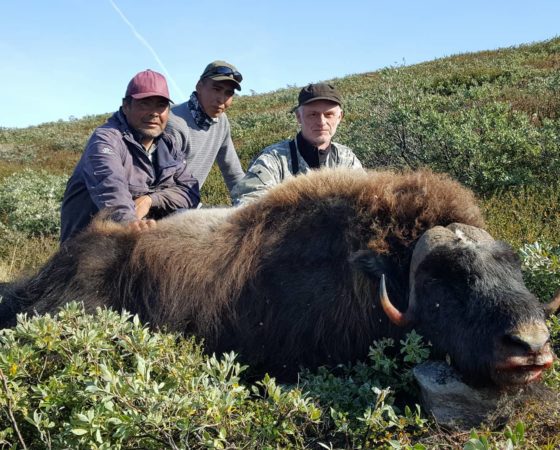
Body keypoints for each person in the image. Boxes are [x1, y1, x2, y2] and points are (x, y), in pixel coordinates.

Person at [60, 69, 200, 243]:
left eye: (160, 105)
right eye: (145, 104)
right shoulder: (106, 140)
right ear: (126, 106)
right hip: (88, 251)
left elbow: (190, 192)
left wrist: (151, 200)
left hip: (137, 245)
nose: (154, 112)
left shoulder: (168, 145)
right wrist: (130, 223)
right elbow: (110, 186)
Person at [232, 82, 363, 205]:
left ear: (340, 117)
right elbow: (248, 204)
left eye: (329, 114)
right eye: (313, 114)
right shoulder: (273, 159)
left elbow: (365, 201)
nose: (321, 121)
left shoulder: (347, 159)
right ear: (299, 117)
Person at [166, 60, 245, 200]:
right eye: (216, 89)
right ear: (199, 86)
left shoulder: (221, 121)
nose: (221, 99)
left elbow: (233, 173)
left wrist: (250, 206)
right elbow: (163, 184)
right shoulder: (174, 123)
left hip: (187, 203)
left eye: (229, 93)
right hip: (162, 205)